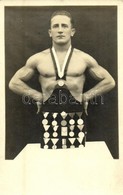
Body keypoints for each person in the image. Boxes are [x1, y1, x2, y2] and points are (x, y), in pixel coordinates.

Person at [9, 10, 115, 150]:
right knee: (50, 162)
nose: (60, 30)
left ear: (72, 31)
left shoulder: (84, 58)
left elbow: (109, 81)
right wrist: (36, 96)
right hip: (48, 117)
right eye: (56, 26)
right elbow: (14, 83)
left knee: (76, 159)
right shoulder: (38, 59)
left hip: (76, 115)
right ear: (49, 32)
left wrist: (87, 96)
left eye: (64, 26)